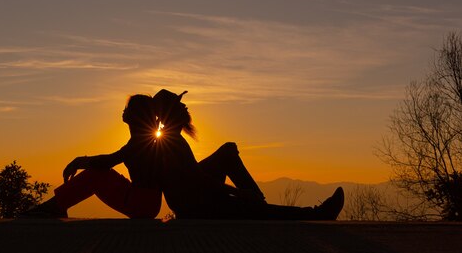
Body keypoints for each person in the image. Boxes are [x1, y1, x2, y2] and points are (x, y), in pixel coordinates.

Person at [153, 89, 344, 220]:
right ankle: (315, 214)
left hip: (192, 199)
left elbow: (194, 175)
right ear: (171, 113)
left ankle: (257, 204)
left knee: (228, 151)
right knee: (255, 209)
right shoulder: (171, 142)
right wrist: (239, 193)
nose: (185, 107)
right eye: (179, 105)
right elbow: (199, 180)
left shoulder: (171, 139)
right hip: (196, 206)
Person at [22, 94, 162, 219]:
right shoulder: (143, 139)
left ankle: (54, 207)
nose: (124, 111)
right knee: (100, 173)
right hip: (145, 202)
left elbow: (107, 162)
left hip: (142, 204)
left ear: (136, 114)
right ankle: (57, 205)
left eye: (127, 108)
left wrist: (78, 162)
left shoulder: (142, 141)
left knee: (95, 175)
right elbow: (110, 159)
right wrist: (80, 161)